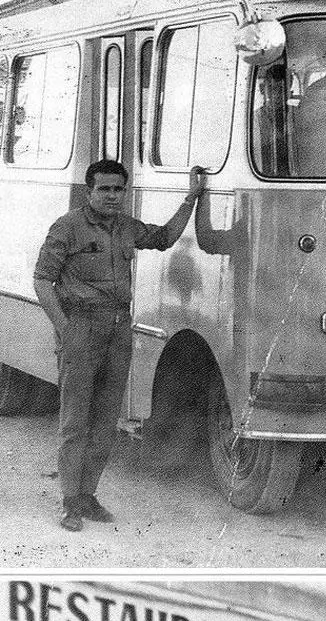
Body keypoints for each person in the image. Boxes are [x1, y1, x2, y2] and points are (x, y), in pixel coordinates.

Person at [33, 160, 206, 530]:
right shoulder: (68, 227)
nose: (112, 196)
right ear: (89, 191)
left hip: (118, 330)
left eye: (118, 189)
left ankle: (89, 495)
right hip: (81, 327)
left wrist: (191, 198)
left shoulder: (127, 227)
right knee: (75, 420)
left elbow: (164, 238)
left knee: (106, 419)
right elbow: (42, 280)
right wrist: (64, 329)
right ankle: (70, 502)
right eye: (104, 189)